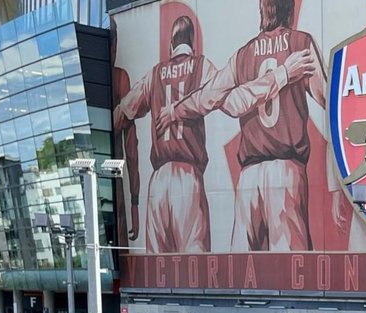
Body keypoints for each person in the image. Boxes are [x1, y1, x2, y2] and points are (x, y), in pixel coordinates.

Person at [159, 0, 343, 251]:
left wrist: (175, 110)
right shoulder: (300, 44)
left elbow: (207, 97)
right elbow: (333, 109)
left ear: (262, 9)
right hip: (287, 169)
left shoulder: (242, 55)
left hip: (248, 177)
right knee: (291, 269)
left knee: (244, 271)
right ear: (289, 9)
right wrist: (336, 184)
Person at [113, 15, 214, 253]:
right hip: (188, 174)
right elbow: (223, 90)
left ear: (171, 45)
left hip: (158, 182)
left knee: (159, 266)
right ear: (192, 41)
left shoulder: (155, 74)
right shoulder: (202, 66)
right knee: (194, 264)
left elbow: (121, 113)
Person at [110, 20, 140, 243]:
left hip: (112, 181)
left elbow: (132, 148)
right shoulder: (120, 78)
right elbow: (131, 150)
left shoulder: (121, 78)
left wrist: (135, 203)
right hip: (111, 183)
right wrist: (135, 204)